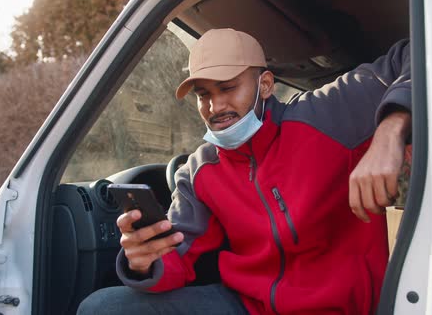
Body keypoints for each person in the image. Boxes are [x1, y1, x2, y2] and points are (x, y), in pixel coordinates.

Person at [78, 28, 412, 314]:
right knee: (103, 307)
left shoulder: (326, 113)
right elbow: (177, 257)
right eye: (203, 94)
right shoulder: (198, 171)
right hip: (247, 306)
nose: (215, 107)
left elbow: (414, 53)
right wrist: (143, 261)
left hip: (343, 307)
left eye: (227, 88)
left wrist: (390, 131)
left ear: (265, 84)